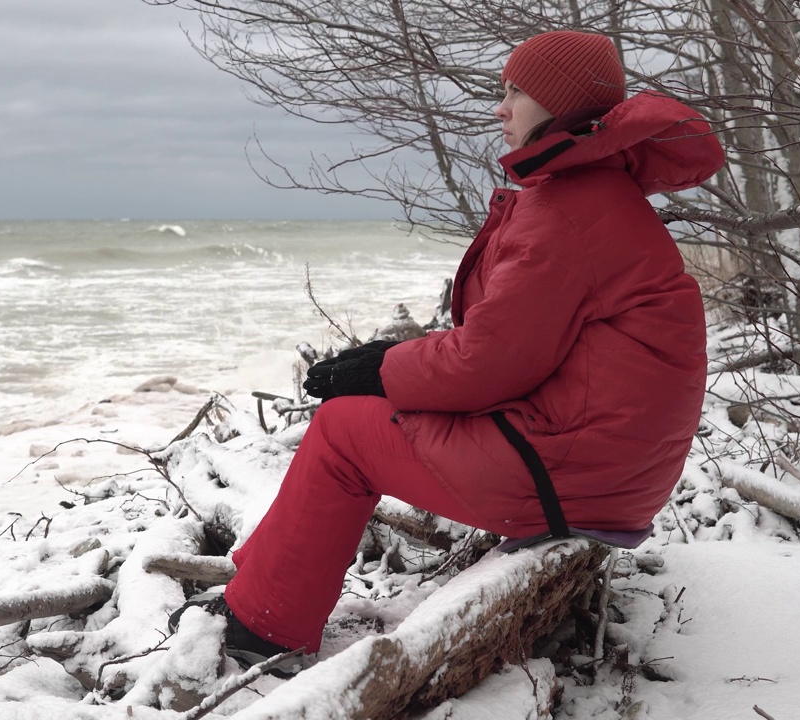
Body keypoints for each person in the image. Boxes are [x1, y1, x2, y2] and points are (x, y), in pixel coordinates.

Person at [170, 29, 724, 669]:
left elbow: (485, 364)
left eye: (515, 91)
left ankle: (260, 629)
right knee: (367, 418)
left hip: (572, 475)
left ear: (559, 103)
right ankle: (258, 588)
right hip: (604, 469)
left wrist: (381, 368)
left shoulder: (571, 209)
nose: (500, 107)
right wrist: (397, 361)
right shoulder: (596, 196)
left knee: (345, 431)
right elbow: (514, 347)